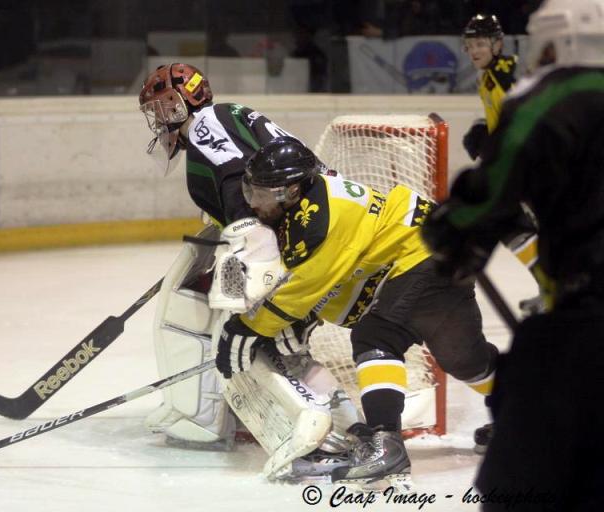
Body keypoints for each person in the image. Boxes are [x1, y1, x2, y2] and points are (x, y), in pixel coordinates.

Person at [215, 136, 500, 488]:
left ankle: (387, 444)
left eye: (260, 194)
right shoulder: (311, 201)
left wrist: (250, 327)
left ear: (289, 192)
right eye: (250, 191)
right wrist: (301, 317)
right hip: (439, 251)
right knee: (465, 360)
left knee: (377, 335)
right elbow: (338, 276)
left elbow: (308, 284)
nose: (253, 204)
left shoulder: (317, 217)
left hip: (424, 252)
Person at [137, 63, 363, 478]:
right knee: (284, 349)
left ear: (180, 103)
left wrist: (248, 272)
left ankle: (322, 440)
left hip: (306, 243)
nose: (158, 118)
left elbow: (243, 191)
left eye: (162, 106)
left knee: (256, 340)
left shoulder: (206, 127)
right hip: (313, 235)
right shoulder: (227, 116)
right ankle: (356, 433)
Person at [421, 0, 604, 508]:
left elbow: (483, 200)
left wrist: (457, 225)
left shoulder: (550, 96)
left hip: (585, 327)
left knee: (523, 480)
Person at [461, 12, 546, 453]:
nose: (474, 51)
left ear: (497, 43)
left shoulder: (509, 73)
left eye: (481, 44)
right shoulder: (492, 75)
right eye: (469, 45)